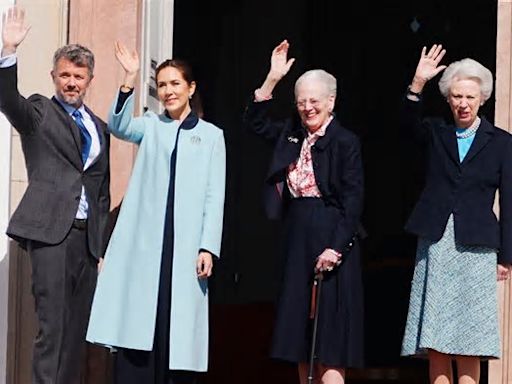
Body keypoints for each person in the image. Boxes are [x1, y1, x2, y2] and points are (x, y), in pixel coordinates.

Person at [86, 41, 226, 384]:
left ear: (191, 88)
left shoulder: (211, 137)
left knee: (175, 331)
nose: (168, 91)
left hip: (186, 249)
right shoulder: (150, 125)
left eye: (175, 83)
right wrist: (129, 79)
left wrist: (208, 245)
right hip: (147, 248)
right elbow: (118, 126)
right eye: (162, 85)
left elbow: (214, 195)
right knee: (139, 326)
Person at [0, 6, 110, 384]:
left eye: (79, 76)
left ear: (90, 79)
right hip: (50, 235)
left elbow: (100, 191)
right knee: (52, 331)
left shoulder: (98, 127)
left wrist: (100, 248)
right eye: (65, 75)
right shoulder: (39, 111)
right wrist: (8, 51)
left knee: (75, 337)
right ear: (53, 76)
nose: (71, 82)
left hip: (86, 243)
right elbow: (7, 100)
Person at [244, 40, 364, 384]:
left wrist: (336, 247)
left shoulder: (345, 141)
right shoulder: (292, 134)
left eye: (314, 101)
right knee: (299, 338)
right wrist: (272, 79)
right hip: (296, 233)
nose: (308, 108)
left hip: (333, 234)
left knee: (329, 340)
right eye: (301, 102)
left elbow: (354, 200)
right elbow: (253, 123)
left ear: (331, 101)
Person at [401, 44, 512, 384]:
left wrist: (506, 256)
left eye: (470, 97)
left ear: (482, 100)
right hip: (436, 242)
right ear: (448, 99)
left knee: (469, 338)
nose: (463, 104)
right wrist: (417, 83)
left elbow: (509, 201)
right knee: (436, 339)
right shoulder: (437, 133)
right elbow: (404, 125)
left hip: (476, 245)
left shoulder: (502, 143)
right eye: (457, 96)